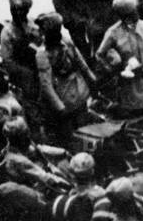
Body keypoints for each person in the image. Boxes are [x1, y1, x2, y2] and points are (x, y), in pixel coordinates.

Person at [34, 12, 97, 146]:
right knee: (68, 132)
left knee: (81, 127)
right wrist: (60, 107)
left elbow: (81, 63)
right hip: (64, 95)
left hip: (74, 92)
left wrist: (93, 80)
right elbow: (46, 85)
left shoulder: (64, 42)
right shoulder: (43, 54)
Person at [95, 0, 143, 114]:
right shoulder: (113, 32)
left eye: (135, 10)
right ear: (124, 16)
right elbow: (99, 55)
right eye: (132, 13)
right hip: (130, 85)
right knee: (133, 111)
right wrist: (112, 70)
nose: (136, 14)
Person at [0, 0, 42, 120]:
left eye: (22, 10)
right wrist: (27, 73)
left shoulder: (34, 24)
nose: (18, 13)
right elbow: (8, 61)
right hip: (22, 70)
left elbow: (42, 42)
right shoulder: (7, 33)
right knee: (30, 99)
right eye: (15, 10)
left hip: (39, 63)